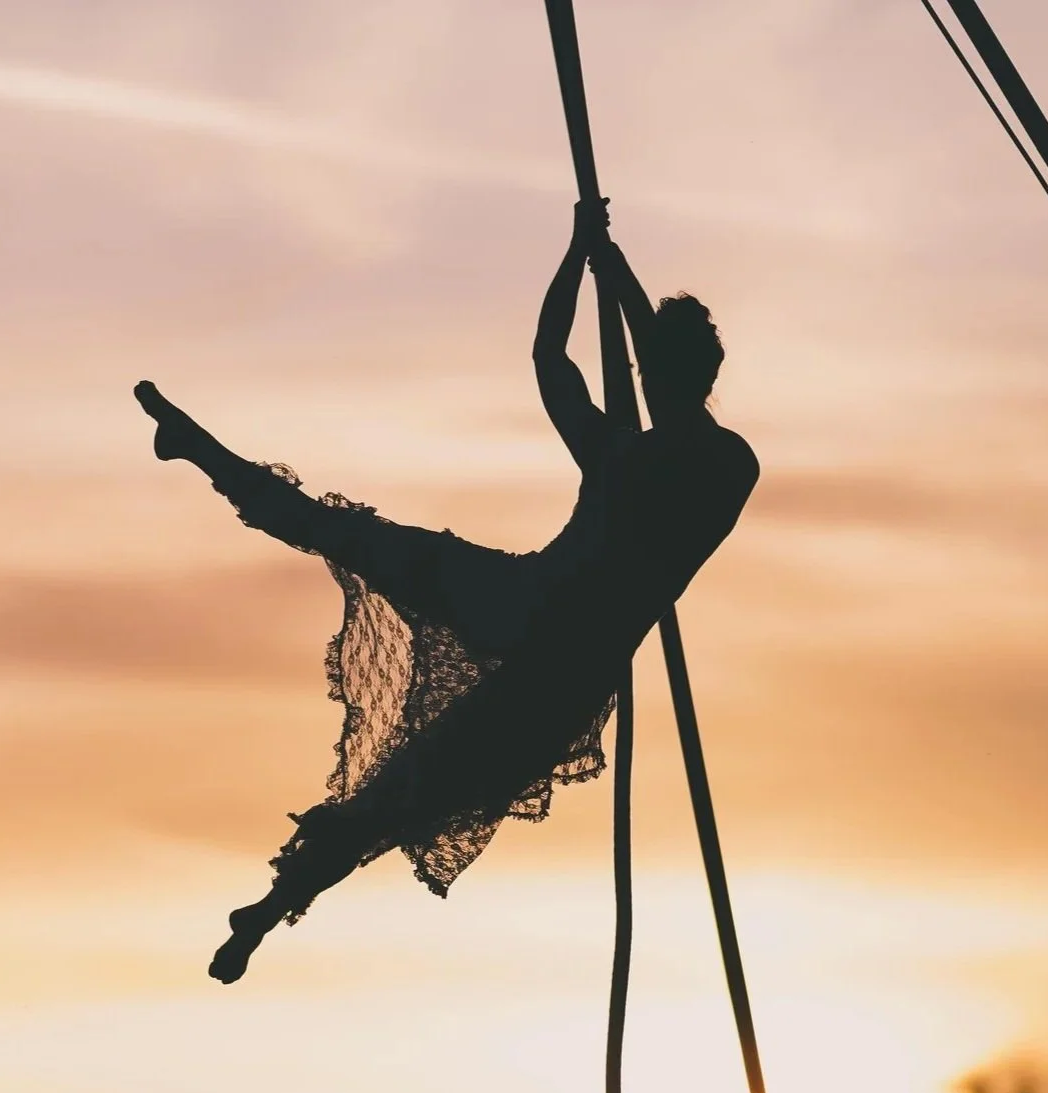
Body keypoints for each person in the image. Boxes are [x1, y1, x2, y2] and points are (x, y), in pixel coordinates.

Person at [135, 200, 757, 983]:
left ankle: (262, 913)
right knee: (402, 792)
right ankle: (264, 913)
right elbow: (654, 380)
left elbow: (548, 359)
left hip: (525, 608)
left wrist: (580, 257)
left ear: (654, 372)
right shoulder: (730, 466)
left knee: (397, 746)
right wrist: (616, 273)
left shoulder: (621, 454)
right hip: (570, 672)